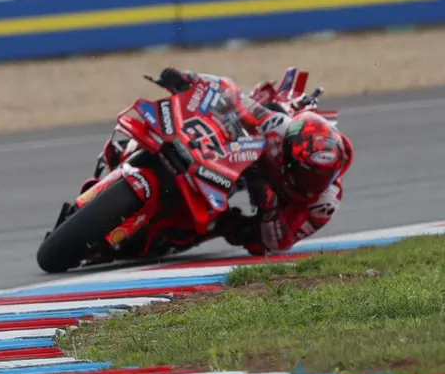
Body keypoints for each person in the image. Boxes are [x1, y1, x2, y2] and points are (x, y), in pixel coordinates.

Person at [84, 67, 354, 256]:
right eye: (305, 174)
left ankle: (173, 230)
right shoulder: (280, 127)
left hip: (262, 209)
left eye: (317, 178)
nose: (311, 183)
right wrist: (188, 79)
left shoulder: (323, 204)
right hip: (234, 157)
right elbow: (231, 94)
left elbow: (278, 241)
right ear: (289, 149)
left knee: (226, 229)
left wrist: (267, 201)